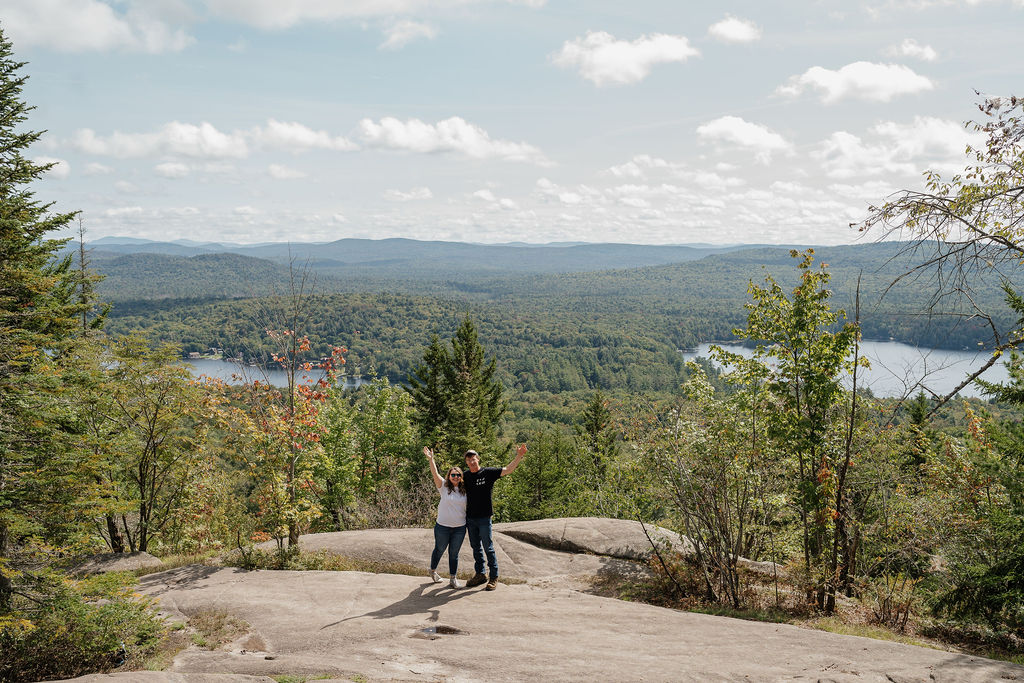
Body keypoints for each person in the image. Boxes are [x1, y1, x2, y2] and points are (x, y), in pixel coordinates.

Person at [463, 444, 527, 591]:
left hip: (485, 518)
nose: (472, 462)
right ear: (466, 463)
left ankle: (494, 576)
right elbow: (450, 483)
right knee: (475, 548)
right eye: (469, 460)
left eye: (473, 459)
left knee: (488, 547)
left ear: (478, 459)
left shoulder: (488, 473)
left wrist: (519, 456)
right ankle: (480, 574)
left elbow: (508, 470)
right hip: (471, 518)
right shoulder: (465, 476)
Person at [424, 446, 467, 589]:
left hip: (459, 528)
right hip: (442, 526)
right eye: (453, 475)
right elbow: (435, 473)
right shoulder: (443, 487)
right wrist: (431, 459)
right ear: (449, 476)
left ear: (461, 477)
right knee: (439, 549)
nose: (455, 477)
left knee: (454, 553)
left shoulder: (465, 490)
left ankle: (453, 579)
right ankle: (433, 570)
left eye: (458, 475)